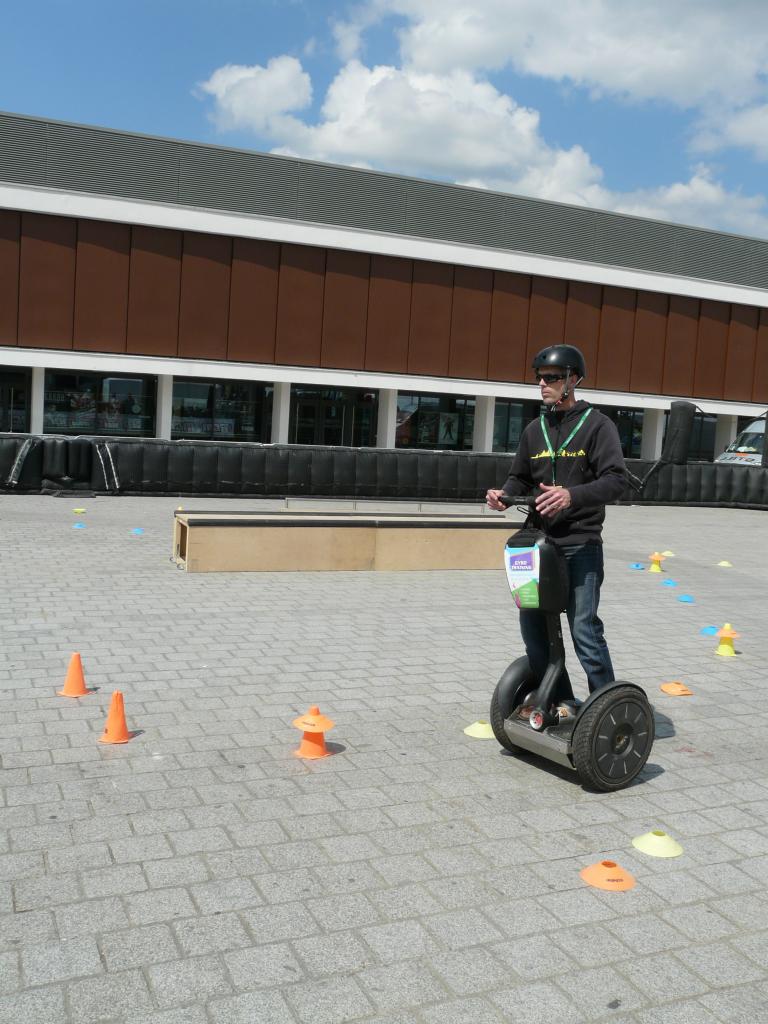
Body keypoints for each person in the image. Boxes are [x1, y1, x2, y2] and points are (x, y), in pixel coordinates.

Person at [486, 344, 627, 697]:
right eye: (539, 378)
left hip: (580, 543)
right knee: (533, 627)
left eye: (551, 378)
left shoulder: (598, 425)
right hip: (533, 546)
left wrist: (571, 495)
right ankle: (563, 701)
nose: (543, 384)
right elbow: (519, 477)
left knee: (584, 629)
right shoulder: (535, 428)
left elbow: (617, 480)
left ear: (573, 379)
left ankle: (604, 706)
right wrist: (503, 495)